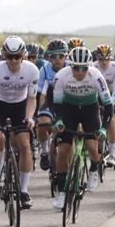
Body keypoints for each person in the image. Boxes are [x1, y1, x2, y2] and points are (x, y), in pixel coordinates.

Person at [52, 46, 113, 208]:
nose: (79, 72)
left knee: (93, 148)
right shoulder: (61, 76)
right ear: (69, 65)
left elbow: (108, 106)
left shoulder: (96, 76)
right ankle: (62, 193)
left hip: (90, 111)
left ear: (89, 67)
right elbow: (56, 103)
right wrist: (58, 120)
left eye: (83, 68)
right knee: (63, 150)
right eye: (75, 68)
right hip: (68, 111)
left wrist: (104, 128)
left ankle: (93, 168)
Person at [0, 36, 38, 208]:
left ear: (23, 56)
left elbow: (32, 98)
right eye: (9, 57)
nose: (13, 61)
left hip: (20, 107)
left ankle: (24, 190)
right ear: (4, 56)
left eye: (17, 57)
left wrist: (29, 117)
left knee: (25, 145)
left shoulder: (32, 70)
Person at [36, 39, 68, 171]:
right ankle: (44, 152)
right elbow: (41, 94)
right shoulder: (44, 69)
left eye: (60, 56)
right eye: (53, 56)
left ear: (66, 56)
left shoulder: (71, 67)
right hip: (49, 99)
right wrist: (38, 113)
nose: (57, 59)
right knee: (43, 123)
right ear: (49, 57)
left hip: (67, 101)